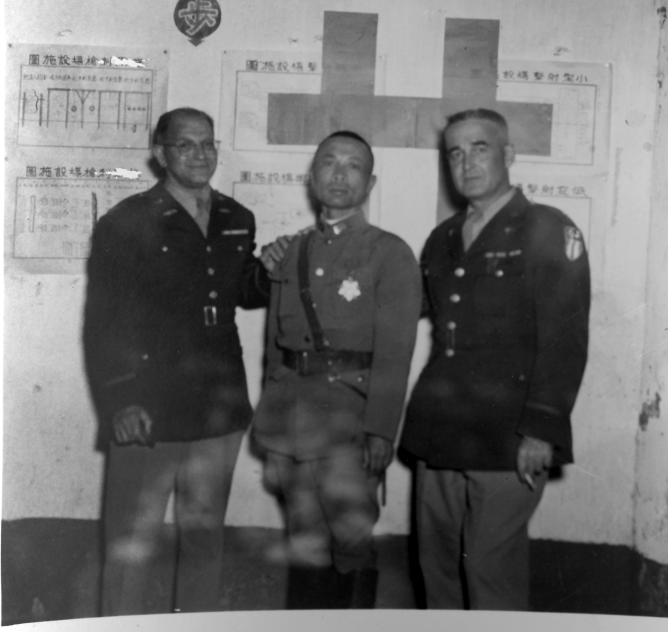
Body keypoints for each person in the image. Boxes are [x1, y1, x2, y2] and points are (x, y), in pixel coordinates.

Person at [83, 107, 276, 615]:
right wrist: (121, 401)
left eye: (208, 144)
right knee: (131, 545)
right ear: (161, 154)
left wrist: (269, 273)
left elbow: (236, 294)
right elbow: (103, 325)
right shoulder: (127, 222)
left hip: (219, 408)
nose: (200, 154)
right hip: (149, 408)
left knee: (204, 541)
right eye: (186, 145)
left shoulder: (238, 218)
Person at [400, 108, 591, 611]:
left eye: (479, 148)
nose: (466, 163)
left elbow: (564, 338)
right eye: (455, 153)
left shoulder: (547, 227)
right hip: (439, 431)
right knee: (436, 568)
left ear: (508, 155)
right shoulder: (441, 240)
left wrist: (542, 429)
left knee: (489, 571)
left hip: (507, 435)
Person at [252, 131, 421, 609]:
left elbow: (395, 352)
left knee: (351, 542)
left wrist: (381, 430)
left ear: (370, 183)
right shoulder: (293, 252)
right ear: (311, 177)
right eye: (329, 163)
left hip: (351, 425)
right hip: (290, 424)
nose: (340, 174)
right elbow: (276, 351)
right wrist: (270, 430)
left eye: (353, 166)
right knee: (304, 542)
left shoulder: (389, 253)